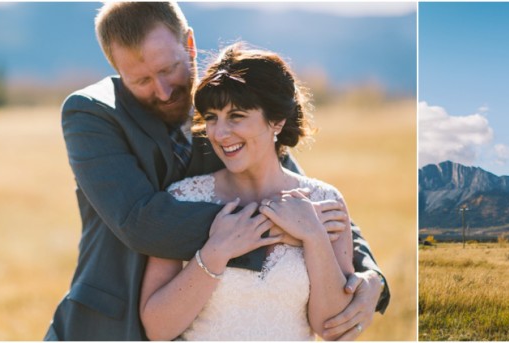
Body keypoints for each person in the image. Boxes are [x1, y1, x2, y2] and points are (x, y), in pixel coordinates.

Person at [45, 2, 388, 340]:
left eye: (168, 70)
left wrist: (370, 277)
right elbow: (138, 222)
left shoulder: (222, 106)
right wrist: (280, 228)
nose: (163, 91)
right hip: (108, 326)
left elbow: (302, 197)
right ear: (117, 69)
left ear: (189, 45)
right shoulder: (91, 114)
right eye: (141, 80)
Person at [139, 43, 356, 340]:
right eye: (212, 116)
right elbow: (157, 329)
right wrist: (216, 251)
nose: (219, 132)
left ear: (277, 120)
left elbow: (333, 328)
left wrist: (313, 236)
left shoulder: (325, 202)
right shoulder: (182, 198)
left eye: (237, 115)